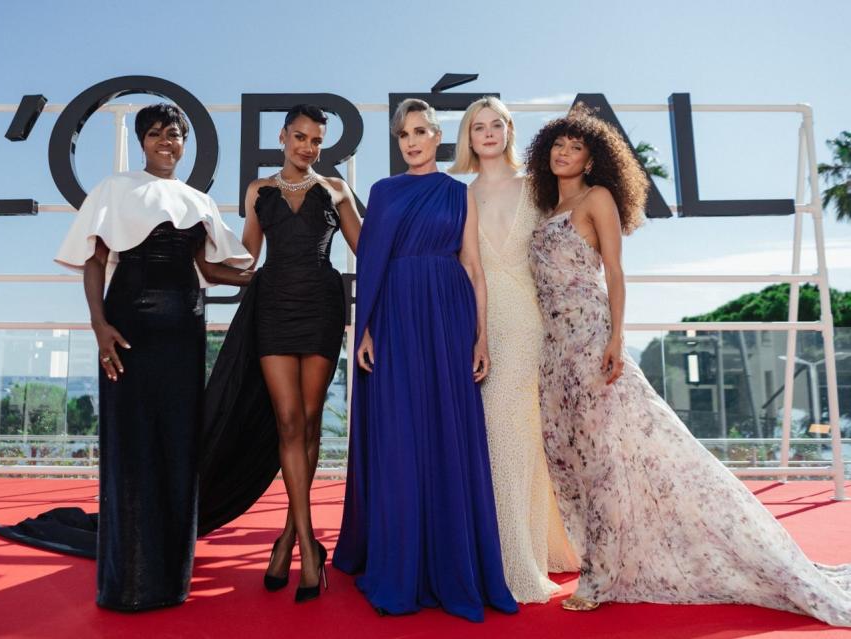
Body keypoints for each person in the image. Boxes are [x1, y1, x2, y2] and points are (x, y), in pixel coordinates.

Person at [527, 108, 851, 625]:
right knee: (573, 464)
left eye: (575, 146)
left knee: (609, 462)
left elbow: (614, 272)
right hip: (553, 354)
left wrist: (615, 338)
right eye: (557, 145)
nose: (564, 153)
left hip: (591, 343)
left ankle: (600, 576)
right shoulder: (545, 211)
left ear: (592, 159)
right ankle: (603, 560)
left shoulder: (597, 200)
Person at [51, 103, 253, 611]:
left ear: (185, 143)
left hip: (186, 331)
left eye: (176, 134)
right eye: (158, 133)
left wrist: (262, 279)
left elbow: (207, 265)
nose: (168, 141)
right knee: (131, 445)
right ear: (142, 141)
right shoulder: (114, 189)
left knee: (179, 446)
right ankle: (130, 581)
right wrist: (99, 326)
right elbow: (95, 260)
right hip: (129, 329)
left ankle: (170, 577)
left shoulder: (197, 199)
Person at [333, 98, 518, 622]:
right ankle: (401, 562)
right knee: (400, 437)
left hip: (447, 317)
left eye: (420, 132)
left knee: (446, 434)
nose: (411, 141)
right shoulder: (384, 193)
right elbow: (369, 263)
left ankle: (450, 561)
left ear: (437, 136)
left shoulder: (459, 195)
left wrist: (481, 337)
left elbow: (474, 267)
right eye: (403, 135)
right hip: (394, 317)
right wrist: (364, 327)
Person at [202, 104, 360, 603]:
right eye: (300, 136)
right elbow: (249, 258)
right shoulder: (258, 191)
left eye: (315, 140)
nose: (307, 147)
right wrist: (201, 257)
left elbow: (368, 246)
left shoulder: (335, 190)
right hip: (272, 307)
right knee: (288, 421)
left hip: (319, 306)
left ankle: (292, 537)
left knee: (311, 421)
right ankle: (308, 548)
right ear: (283, 136)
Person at [448, 97, 578, 604]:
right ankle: (511, 550)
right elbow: (469, 270)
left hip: (534, 320)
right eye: (477, 127)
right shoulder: (460, 196)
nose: (487, 133)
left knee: (520, 429)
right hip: (483, 322)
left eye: (495, 124)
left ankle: (520, 558)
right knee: (505, 430)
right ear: (468, 136)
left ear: (509, 129)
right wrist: (477, 334)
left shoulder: (537, 189)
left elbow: (563, 250)